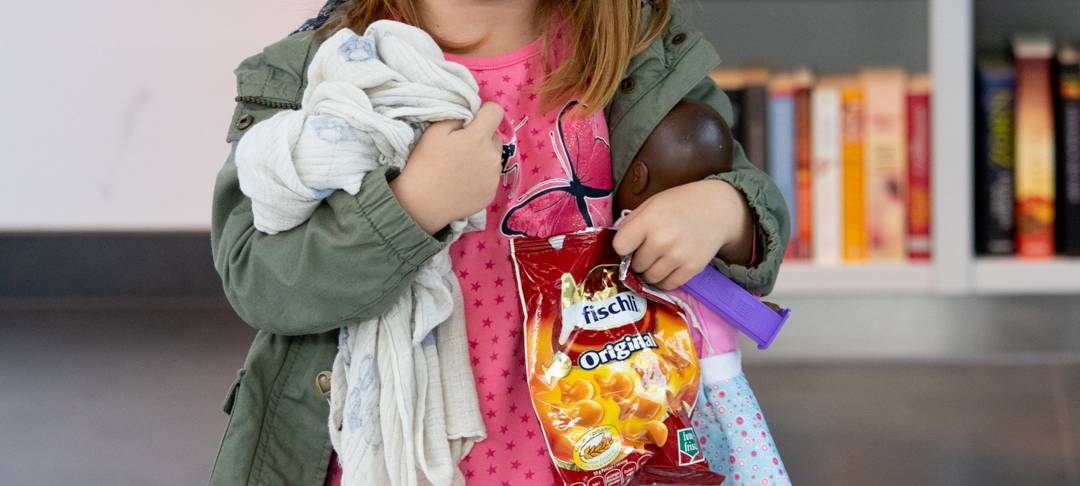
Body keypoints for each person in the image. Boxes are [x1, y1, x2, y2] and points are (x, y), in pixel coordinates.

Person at [209, 1, 790, 485]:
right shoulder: (323, 71)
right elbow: (260, 276)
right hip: (390, 460)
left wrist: (725, 212)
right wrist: (410, 207)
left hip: (605, 451)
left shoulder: (635, 52)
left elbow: (746, 199)